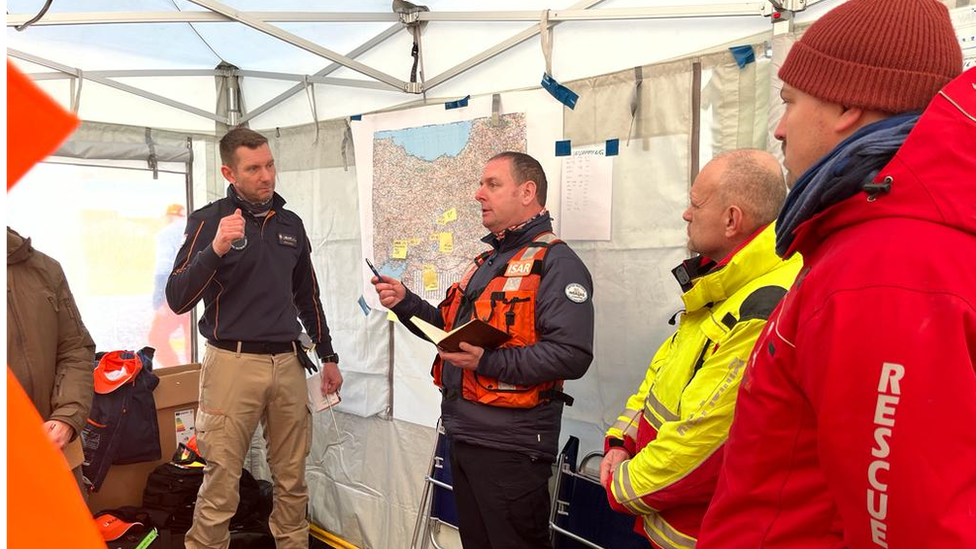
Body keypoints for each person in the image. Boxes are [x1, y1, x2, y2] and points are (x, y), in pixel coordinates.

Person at [698, 1, 975, 548]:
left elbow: (910, 524)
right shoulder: (880, 235)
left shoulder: (883, 265)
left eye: (790, 102)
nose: (779, 129)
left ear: (848, 104)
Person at [372, 151, 594, 549]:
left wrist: (488, 361)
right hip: (465, 434)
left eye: (492, 184)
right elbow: (450, 332)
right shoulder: (487, 261)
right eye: (481, 184)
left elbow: (571, 354)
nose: (478, 194)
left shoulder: (557, 263)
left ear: (527, 192)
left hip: (511, 447)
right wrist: (405, 302)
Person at [599, 150, 800, 548]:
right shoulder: (721, 282)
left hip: (705, 532)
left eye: (695, 203)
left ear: (732, 219)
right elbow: (661, 378)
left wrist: (621, 485)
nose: (686, 214)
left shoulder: (764, 304)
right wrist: (622, 441)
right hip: (669, 524)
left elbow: (703, 444)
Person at [166, 127, 343, 549]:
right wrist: (216, 249)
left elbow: (307, 297)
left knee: (292, 476)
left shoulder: (291, 224)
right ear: (230, 172)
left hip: (288, 362)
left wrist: (329, 354)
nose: (266, 176)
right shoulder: (209, 220)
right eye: (254, 168)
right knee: (222, 477)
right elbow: (177, 298)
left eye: (269, 165)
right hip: (231, 362)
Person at [4, 225, 96, 495]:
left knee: (66, 538)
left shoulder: (44, 269)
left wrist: (67, 417)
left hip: (54, 454)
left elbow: (75, 349)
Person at [147, 203, 191, 367]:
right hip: (195, 293)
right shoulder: (195, 228)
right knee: (191, 341)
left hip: (174, 294)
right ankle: (192, 376)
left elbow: (163, 268)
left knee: (156, 336)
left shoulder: (167, 234)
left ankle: (175, 371)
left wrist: (158, 300)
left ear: (169, 217)